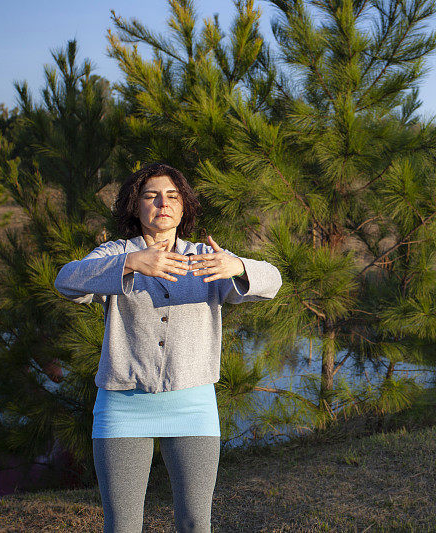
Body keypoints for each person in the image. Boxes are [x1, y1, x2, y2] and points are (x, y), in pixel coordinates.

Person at [54, 162, 282, 533]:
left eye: (172, 196)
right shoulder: (116, 252)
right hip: (122, 407)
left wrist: (237, 265)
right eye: (152, 195)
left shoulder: (205, 258)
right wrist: (130, 263)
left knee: (195, 522)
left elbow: (273, 281)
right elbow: (66, 281)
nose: (163, 203)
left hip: (193, 406)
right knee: (123, 526)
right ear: (135, 205)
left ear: (184, 205)